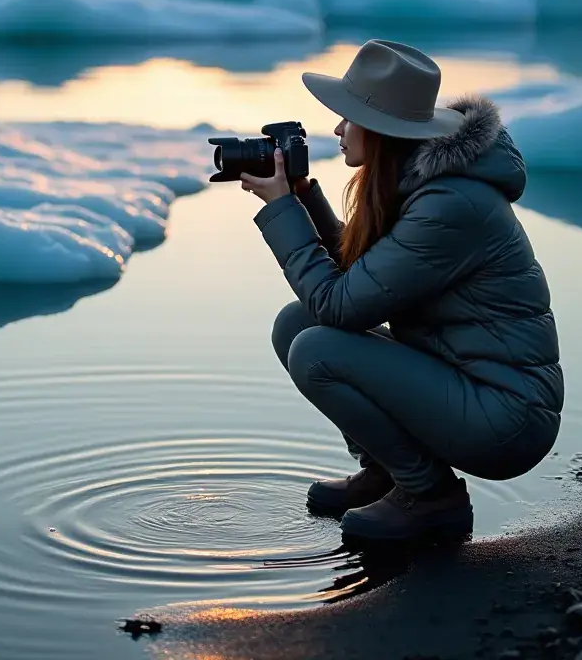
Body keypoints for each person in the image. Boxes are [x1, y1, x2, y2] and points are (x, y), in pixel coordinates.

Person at [240, 40, 563, 543]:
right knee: (296, 323)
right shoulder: (426, 185)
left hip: (506, 418)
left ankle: (429, 495)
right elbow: (366, 276)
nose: (338, 129)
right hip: (465, 384)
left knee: (317, 345)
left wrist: (279, 209)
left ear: (384, 130)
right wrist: (303, 198)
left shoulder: (451, 205)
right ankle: (388, 470)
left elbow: (338, 305)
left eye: (348, 117)